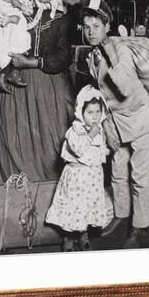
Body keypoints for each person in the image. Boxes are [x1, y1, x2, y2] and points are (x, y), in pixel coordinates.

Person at [81, 0, 149, 248]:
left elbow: (124, 86)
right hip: (115, 122)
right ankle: (121, 214)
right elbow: (101, 96)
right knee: (117, 172)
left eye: (96, 26)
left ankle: (139, 227)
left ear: (107, 26)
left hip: (138, 119)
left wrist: (112, 53)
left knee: (140, 176)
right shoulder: (91, 55)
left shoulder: (120, 49)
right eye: (86, 26)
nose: (90, 31)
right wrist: (106, 127)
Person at [0, 0, 74, 184]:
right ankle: (16, 190)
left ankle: (50, 190)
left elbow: (63, 57)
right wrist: (2, 71)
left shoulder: (62, 19)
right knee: (13, 135)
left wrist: (32, 62)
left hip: (47, 84)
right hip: (18, 83)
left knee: (50, 139)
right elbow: (1, 40)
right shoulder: (22, 11)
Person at [45, 85, 111, 252]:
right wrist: (91, 135)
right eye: (90, 113)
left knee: (87, 207)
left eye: (97, 112)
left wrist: (106, 150)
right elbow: (79, 149)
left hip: (92, 177)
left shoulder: (100, 130)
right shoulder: (75, 131)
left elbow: (100, 149)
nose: (94, 117)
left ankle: (83, 235)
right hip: (77, 177)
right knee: (73, 208)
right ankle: (68, 238)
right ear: (81, 113)